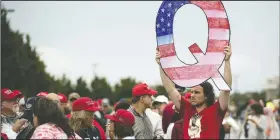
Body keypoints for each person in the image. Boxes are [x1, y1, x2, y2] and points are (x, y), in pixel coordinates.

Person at [156, 45, 232, 139]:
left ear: (206, 96)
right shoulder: (187, 109)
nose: (192, 95)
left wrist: (227, 61)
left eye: (197, 92)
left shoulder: (216, 111)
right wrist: (161, 65)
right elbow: (170, 89)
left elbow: (226, 89)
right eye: (191, 92)